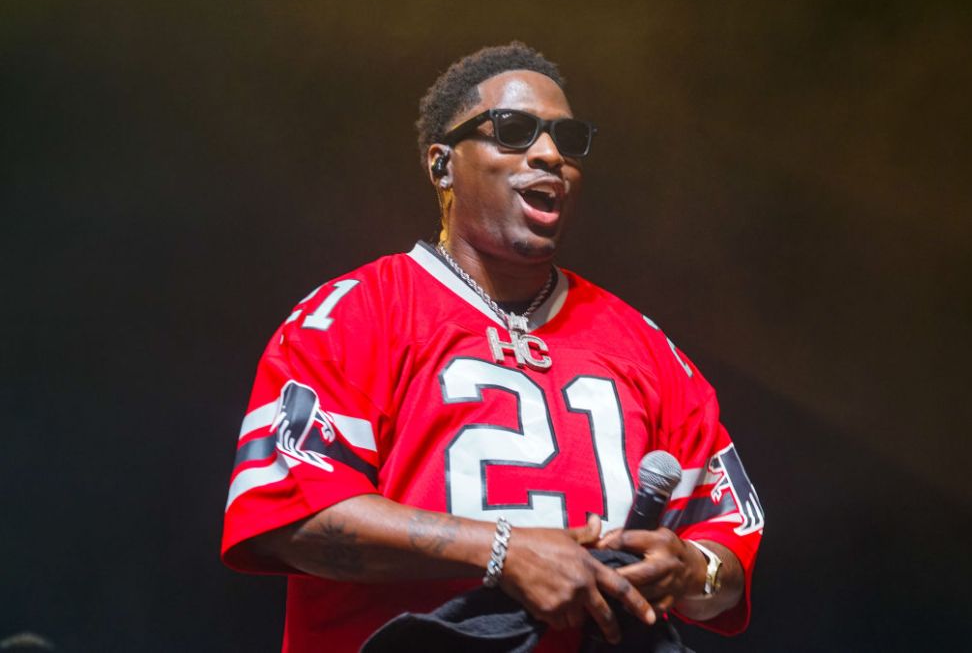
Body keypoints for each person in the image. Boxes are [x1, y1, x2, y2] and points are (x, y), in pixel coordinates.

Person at [221, 42, 764, 652]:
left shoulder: (648, 350)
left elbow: (728, 555)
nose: (550, 154)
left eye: (567, 138)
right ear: (441, 164)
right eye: (514, 130)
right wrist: (503, 550)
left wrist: (694, 570)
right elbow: (290, 516)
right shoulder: (355, 314)